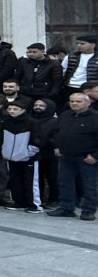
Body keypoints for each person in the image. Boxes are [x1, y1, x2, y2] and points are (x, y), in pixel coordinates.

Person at [47, 92, 97, 220]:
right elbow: (57, 132)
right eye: (72, 101)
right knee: (65, 183)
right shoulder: (65, 115)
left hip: (87, 157)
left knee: (90, 185)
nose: (74, 103)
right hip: (66, 156)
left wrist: (95, 156)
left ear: (88, 103)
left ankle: (88, 211)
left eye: (78, 101)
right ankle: (66, 208)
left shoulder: (95, 118)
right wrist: (57, 146)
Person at [2, 98, 42, 212]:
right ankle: (18, 202)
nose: (12, 111)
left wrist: (29, 152)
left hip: (28, 158)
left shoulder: (32, 122)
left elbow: (37, 140)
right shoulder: (7, 121)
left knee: (30, 182)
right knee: (15, 181)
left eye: (15, 109)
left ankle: (34, 204)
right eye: (9, 109)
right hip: (11, 156)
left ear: (23, 110)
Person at [59, 34, 97, 105]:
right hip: (70, 86)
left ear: (93, 45)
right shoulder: (70, 57)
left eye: (82, 44)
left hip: (90, 88)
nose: (79, 45)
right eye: (77, 44)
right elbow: (62, 71)